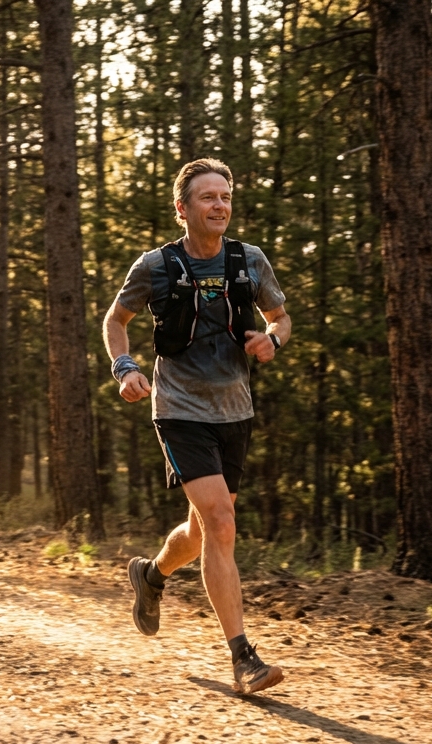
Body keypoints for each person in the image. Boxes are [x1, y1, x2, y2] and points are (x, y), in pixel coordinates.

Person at [102, 158, 291, 695]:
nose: (220, 205)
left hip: (235, 409)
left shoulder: (249, 261)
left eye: (226, 196)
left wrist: (272, 339)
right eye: (208, 197)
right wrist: (126, 367)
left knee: (201, 529)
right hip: (179, 408)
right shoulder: (155, 266)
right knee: (222, 521)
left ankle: (152, 574)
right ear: (182, 209)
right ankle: (243, 658)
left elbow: (281, 317)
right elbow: (116, 320)